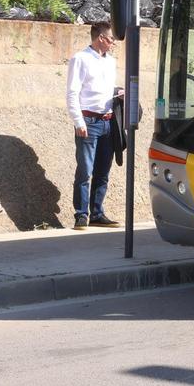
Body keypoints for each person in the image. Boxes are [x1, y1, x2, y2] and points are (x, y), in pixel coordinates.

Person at [65, 21, 121, 230]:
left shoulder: (111, 62)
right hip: (88, 121)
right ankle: (81, 214)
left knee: (103, 170)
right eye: (111, 39)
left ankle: (97, 213)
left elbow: (105, 88)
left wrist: (118, 93)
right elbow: (72, 92)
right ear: (101, 38)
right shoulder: (80, 59)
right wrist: (78, 121)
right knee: (85, 170)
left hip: (108, 121)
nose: (113, 43)